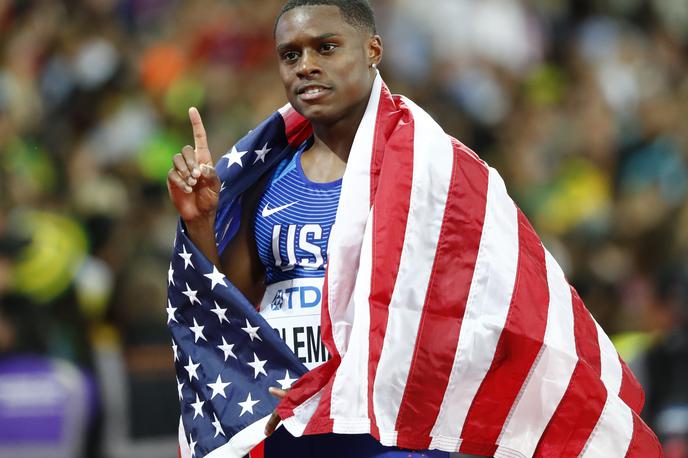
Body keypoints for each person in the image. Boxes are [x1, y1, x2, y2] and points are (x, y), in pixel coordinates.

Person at [167, 1, 453, 456]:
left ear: (372, 50)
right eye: (291, 55)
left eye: (326, 48)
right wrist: (201, 222)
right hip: (284, 419)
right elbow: (235, 307)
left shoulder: (424, 166)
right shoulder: (265, 176)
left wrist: (342, 377)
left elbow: (452, 310)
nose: (307, 67)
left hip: (385, 428)